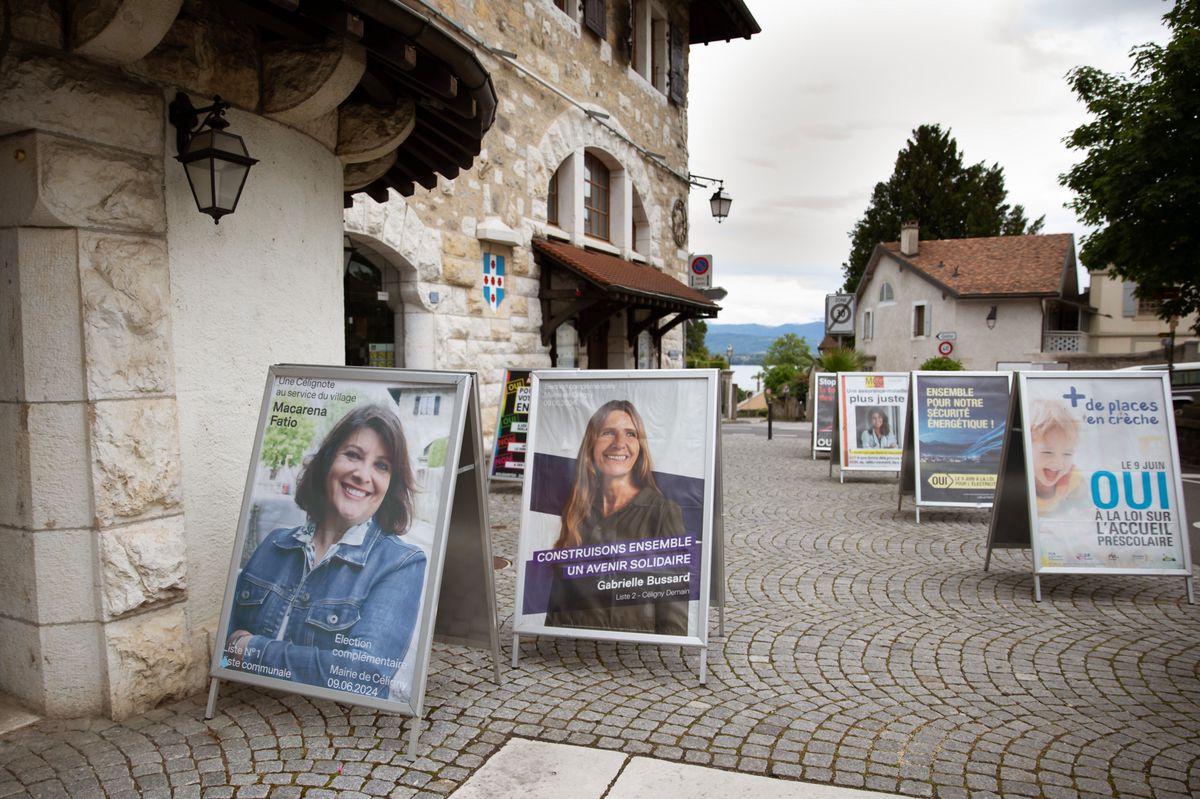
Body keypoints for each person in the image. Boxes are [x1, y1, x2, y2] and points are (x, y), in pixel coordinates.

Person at [224, 404, 427, 701]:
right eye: (353, 455)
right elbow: (224, 648)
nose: (363, 474)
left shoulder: (400, 564)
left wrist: (251, 651)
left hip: (335, 729)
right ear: (329, 460)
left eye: (381, 466)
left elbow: (364, 675)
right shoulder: (275, 545)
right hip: (246, 717)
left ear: (390, 485)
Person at [545, 400, 689, 636]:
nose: (619, 443)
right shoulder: (576, 508)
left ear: (640, 446)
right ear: (591, 444)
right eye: (608, 433)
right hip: (574, 645)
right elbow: (560, 593)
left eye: (630, 434)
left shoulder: (663, 512)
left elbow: (673, 592)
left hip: (634, 649)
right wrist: (551, 638)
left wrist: (665, 653)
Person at [1029, 399, 1083, 515]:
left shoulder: (1072, 479)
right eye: (1048, 452)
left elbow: (1084, 506)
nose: (1058, 463)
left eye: (1067, 454)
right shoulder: (1021, 482)